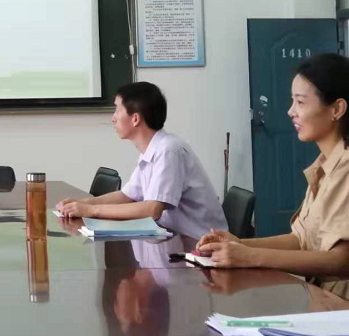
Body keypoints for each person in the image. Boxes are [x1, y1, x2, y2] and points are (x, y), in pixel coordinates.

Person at [197, 54, 349, 291]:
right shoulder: (324, 165)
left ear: (337, 109)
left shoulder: (346, 168)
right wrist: (239, 245)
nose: (291, 111)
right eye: (292, 101)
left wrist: (249, 257)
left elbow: (341, 260)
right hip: (323, 301)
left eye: (300, 102)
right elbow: (301, 240)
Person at [57, 81, 227, 239]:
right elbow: (128, 195)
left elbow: (152, 210)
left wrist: (91, 210)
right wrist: (82, 203)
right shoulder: (153, 149)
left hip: (200, 244)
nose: (113, 118)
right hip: (173, 239)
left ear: (135, 119)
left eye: (117, 110)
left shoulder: (169, 151)